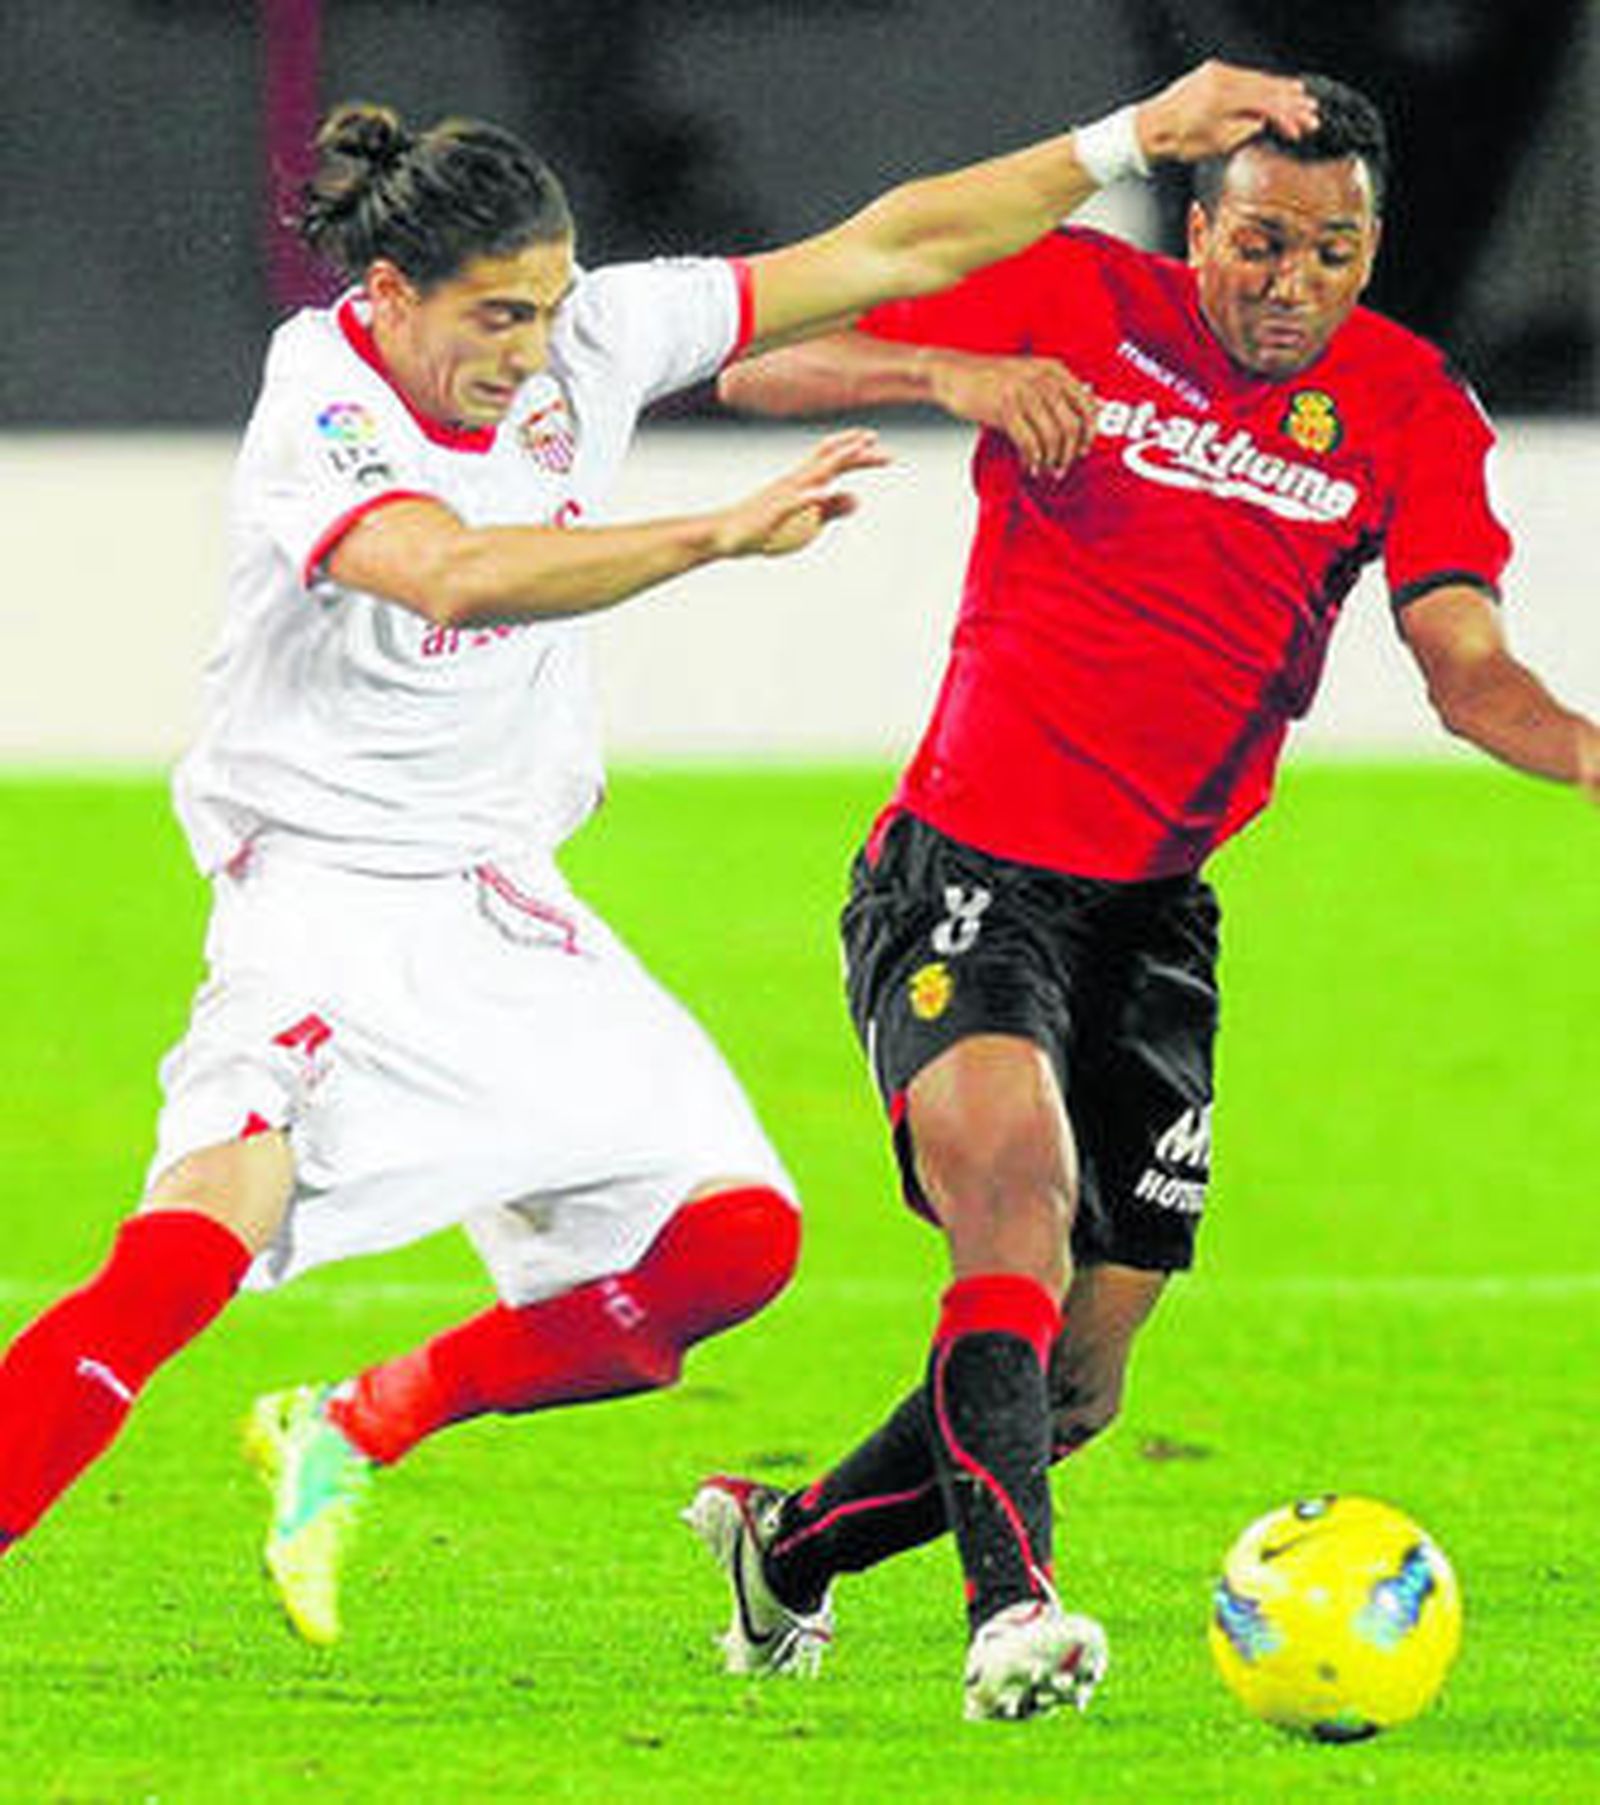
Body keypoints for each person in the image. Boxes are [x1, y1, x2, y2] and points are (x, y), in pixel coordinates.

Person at [0, 66, 1319, 1654]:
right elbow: (453, 570)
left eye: (551, 307)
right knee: (185, 1255)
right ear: (391, 294)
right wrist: (710, 533)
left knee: (730, 1242)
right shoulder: (322, 405)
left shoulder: (591, 340)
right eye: (497, 316)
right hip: (323, 902)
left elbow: (890, 246)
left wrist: (1124, 141)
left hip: (499, 895)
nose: (532, 350)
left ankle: (355, 1418)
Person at [686, 73, 1600, 1722]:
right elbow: (757, 357)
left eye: (1333, 252)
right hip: (966, 872)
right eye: (1261, 244)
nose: (1291, 284)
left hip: (1156, 921)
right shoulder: (1074, 295)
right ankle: (1012, 1614)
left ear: (1373, 248)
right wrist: (951, 373)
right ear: (1198, 231)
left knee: (1077, 1384)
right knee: (1014, 1205)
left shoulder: (1409, 406)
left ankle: (786, 1551)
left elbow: (1470, 670)